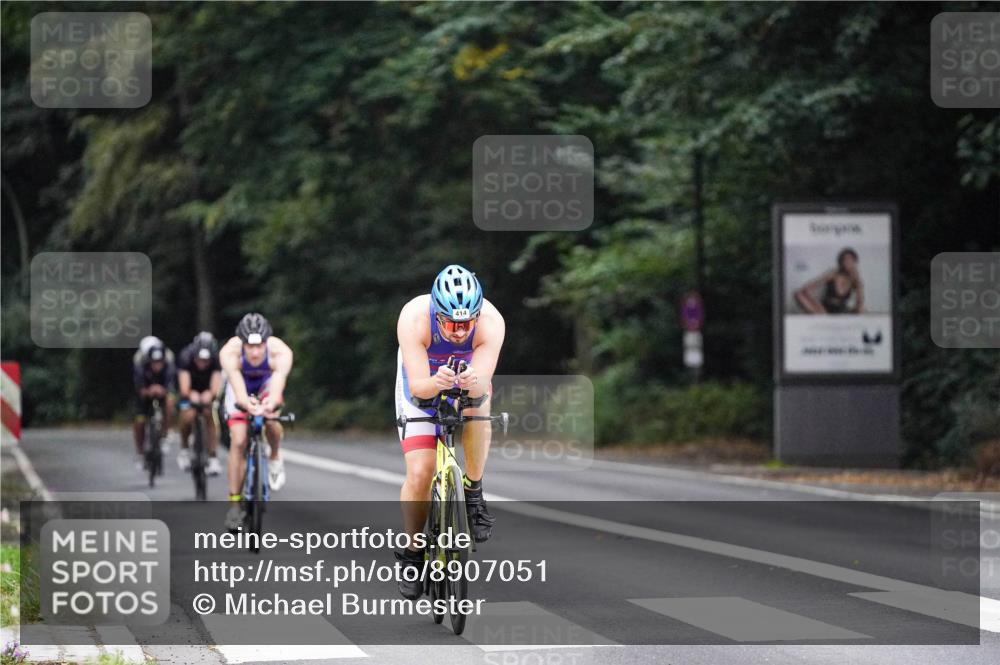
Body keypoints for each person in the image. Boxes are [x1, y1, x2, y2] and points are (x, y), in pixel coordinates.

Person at [393, 265, 505, 599]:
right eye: (451, 323)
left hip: (466, 377)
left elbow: (481, 385)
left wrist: (471, 383)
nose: (459, 332)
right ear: (437, 315)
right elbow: (418, 387)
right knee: (421, 471)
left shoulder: (492, 321)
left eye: (466, 323)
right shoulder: (414, 317)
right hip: (421, 382)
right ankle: (413, 553)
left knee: (478, 407)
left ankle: (473, 493)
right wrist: (436, 383)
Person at [219, 313, 294, 530]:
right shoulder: (229, 352)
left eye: (259, 346)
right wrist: (246, 405)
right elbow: (237, 390)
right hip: (240, 387)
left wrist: (270, 405)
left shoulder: (281, 352)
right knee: (239, 440)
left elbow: (277, 386)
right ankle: (234, 505)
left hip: (265, 384)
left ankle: (274, 455)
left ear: (266, 342)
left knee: (271, 420)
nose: (254, 352)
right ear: (241, 344)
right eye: (249, 347)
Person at [177, 331, 223, 476]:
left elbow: (216, 384)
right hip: (190, 388)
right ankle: (184, 449)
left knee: (209, 414)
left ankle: (212, 456)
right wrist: (191, 394)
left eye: (206, 360)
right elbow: (184, 387)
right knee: (187, 416)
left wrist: (210, 394)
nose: (203, 363)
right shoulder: (186, 357)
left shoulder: (217, 359)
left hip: (207, 388)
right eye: (200, 360)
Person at [131, 336, 177, 471]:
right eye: (154, 362)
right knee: (139, 421)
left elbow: (171, 383)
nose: (157, 365)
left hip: (163, 391)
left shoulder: (169, 359)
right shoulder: (139, 362)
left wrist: (164, 390)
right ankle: (140, 452)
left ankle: (165, 433)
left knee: (170, 402)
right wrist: (146, 391)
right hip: (145, 392)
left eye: (159, 362)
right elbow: (138, 385)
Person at [793, 248, 865, 315]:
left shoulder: (856, 279)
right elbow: (808, 288)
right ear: (841, 262)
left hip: (842, 310)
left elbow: (859, 303)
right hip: (824, 309)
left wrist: (858, 280)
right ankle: (823, 316)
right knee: (798, 293)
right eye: (845, 259)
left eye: (851, 260)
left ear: (855, 262)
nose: (848, 262)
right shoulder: (833, 274)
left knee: (861, 310)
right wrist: (817, 304)